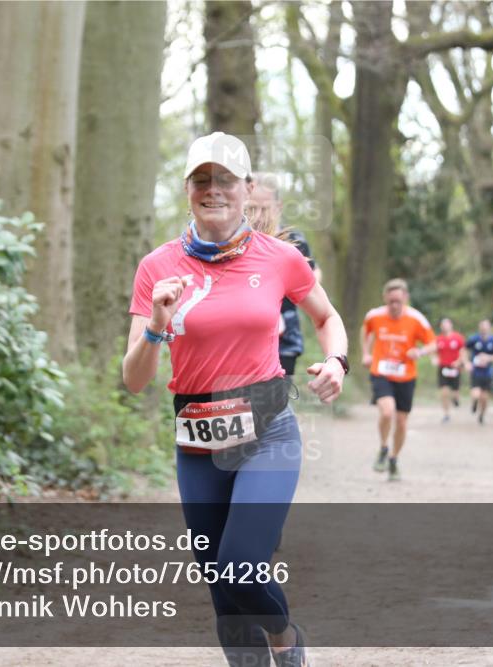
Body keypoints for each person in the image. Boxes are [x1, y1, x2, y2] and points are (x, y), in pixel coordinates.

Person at [123, 132, 348, 667]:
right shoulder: (157, 267)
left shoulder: (281, 257)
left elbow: (326, 317)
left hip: (267, 427)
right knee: (220, 585)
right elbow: (133, 379)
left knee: (240, 563)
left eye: (224, 179)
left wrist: (336, 361)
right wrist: (156, 325)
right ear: (186, 190)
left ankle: (286, 640)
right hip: (196, 437)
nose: (213, 190)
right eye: (201, 179)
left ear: (247, 189)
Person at [246, 172, 322, 377]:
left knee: (275, 401)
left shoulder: (294, 241)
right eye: (252, 208)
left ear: (278, 207)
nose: (258, 215)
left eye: (264, 208)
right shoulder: (233, 240)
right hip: (244, 336)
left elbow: (313, 277)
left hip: (285, 335)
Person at [361, 279, 436, 481]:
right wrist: (366, 353)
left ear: (406, 299)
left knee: (402, 422)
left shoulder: (416, 319)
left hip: (406, 375)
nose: (394, 305)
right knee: (387, 411)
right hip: (381, 370)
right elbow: (366, 331)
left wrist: (419, 351)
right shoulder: (374, 316)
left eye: (398, 301)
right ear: (385, 298)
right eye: (391, 301)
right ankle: (384, 447)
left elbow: (433, 344)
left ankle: (394, 459)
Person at [464, 319, 493, 425]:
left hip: (487, 373)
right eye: (482, 326)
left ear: (489, 327)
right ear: (479, 327)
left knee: (484, 397)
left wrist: (489, 358)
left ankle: (482, 415)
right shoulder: (474, 339)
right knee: (476, 394)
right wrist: (466, 363)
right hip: (476, 371)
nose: (484, 328)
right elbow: (464, 350)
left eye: (486, 326)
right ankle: (474, 403)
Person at [435, 318, 466, 423]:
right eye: (443, 325)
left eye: (446, 324)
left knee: (455, 392)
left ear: (451, 325)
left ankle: (456, 398)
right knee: (444, 392)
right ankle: (446, 414)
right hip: (443, 368)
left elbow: (463, 352)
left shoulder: (458, 338)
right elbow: (433, 351)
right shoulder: (438, 339)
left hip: (455, 368)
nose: (445, 326)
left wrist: (459, 361)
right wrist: (434, 359)